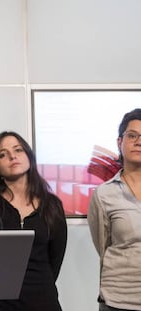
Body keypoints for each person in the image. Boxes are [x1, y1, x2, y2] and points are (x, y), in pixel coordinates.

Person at [0, 131, 67, 311]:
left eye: (18, 150)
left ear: (29, 157)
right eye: (2, 154)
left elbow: (55, 259)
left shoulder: (52, 205)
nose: (12, 156)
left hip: (42, 301)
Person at [88, 108, 141, 311]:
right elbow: (103, 246)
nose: (138, 141)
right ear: (120, 142)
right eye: (132, 135)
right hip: (118, 300)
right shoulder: (104, 194)